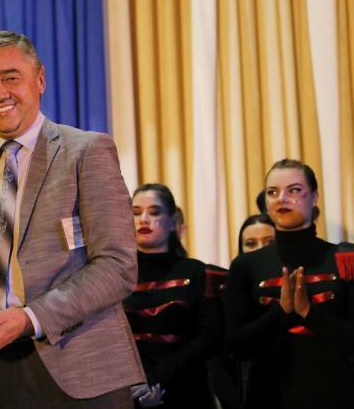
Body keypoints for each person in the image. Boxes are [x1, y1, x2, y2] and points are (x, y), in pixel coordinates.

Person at [0, 31, 143, 408]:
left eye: (10, 77)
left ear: (40, 79)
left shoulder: (86, 151)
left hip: (82, 372)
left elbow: (117, 266)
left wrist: (30, 318)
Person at [227, 159, 354, 408]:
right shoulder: (245, 265)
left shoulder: (346, 259)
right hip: (268, 396)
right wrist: (281, 312)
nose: (281, 199)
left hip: (336, 394)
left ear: (315, 197)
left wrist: (308, 313)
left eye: (294, 190)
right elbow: (236, 347)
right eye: (272, 192)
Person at [124, 183, 219, 408]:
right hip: (130, 392)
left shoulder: (197, 272)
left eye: (154, 212)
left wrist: (157, 381)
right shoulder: (117, 275)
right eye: (136, 213)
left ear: (172, 221)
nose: (143, 220)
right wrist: (135, 386)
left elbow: (209, 337)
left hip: (186, 389)